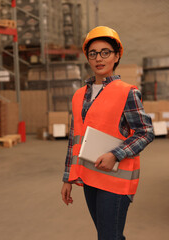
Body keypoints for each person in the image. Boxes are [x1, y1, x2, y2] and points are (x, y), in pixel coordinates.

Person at [60, 26, 155, 240]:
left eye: (105, 52)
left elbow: (145, 132)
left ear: (117, 55)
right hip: (88, 177)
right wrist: (68, 178)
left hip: (116, 179)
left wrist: (115, 154)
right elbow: (74, 139)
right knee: (108, 235)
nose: (99, 58)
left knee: (108, 237)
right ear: (87, 57)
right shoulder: (78, 95)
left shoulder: (127, 92)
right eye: (93, 53)